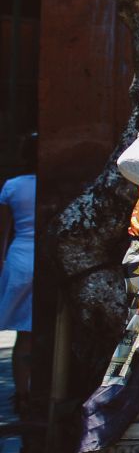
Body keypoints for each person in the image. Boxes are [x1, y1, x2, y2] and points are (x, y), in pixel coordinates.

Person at [0, 134, 35, 413]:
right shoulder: (57, 182)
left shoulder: (12, 187)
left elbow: (4, 231)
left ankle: (23, 392)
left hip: (20, 255)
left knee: (24, 331)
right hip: (45, 255)